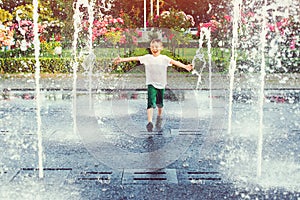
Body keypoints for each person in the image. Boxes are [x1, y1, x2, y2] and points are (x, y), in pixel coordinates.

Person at [114, 39, 193, 132]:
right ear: (150, 48)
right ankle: (150, 122)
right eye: (152, 47)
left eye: (156, 47)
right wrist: (122, 60)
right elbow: (135, 58)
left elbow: (175, 62)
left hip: (161, 84)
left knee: (160, 104)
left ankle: (159, 116)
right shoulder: (147, 57)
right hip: (151, 83)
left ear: (161, 48)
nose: (154, 49)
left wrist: (185, 66)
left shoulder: (164, 58)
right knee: (150, 102)